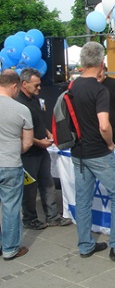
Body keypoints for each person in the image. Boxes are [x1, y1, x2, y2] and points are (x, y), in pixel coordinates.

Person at [70, 41, 115, 261]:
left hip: (79, 151)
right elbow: (104, 124)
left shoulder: (72, 87)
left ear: (83, 62)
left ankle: (85, 244)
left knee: (82, 199)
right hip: (98, 151)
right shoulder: (99, 89)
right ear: (102, 63)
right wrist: (110, 144)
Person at [16, 68, 73, 229]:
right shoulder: (19, 103)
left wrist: (48, 134)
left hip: (42, 149)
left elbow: (40, 122)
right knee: (29, 188)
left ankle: (53, 216)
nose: (39, 88)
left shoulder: (35, 100)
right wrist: (38, 142)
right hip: (28, 152)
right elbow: (19, 132)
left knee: (47, 183)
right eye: (36, 85)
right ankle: (29, 218)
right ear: (24, 84)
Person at [0, 69, 34, 260]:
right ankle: (10, 248)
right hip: (10, 162)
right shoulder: (22, 109)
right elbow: (28, 142)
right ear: (14, 86)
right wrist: (13, 150)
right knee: (11, 207)